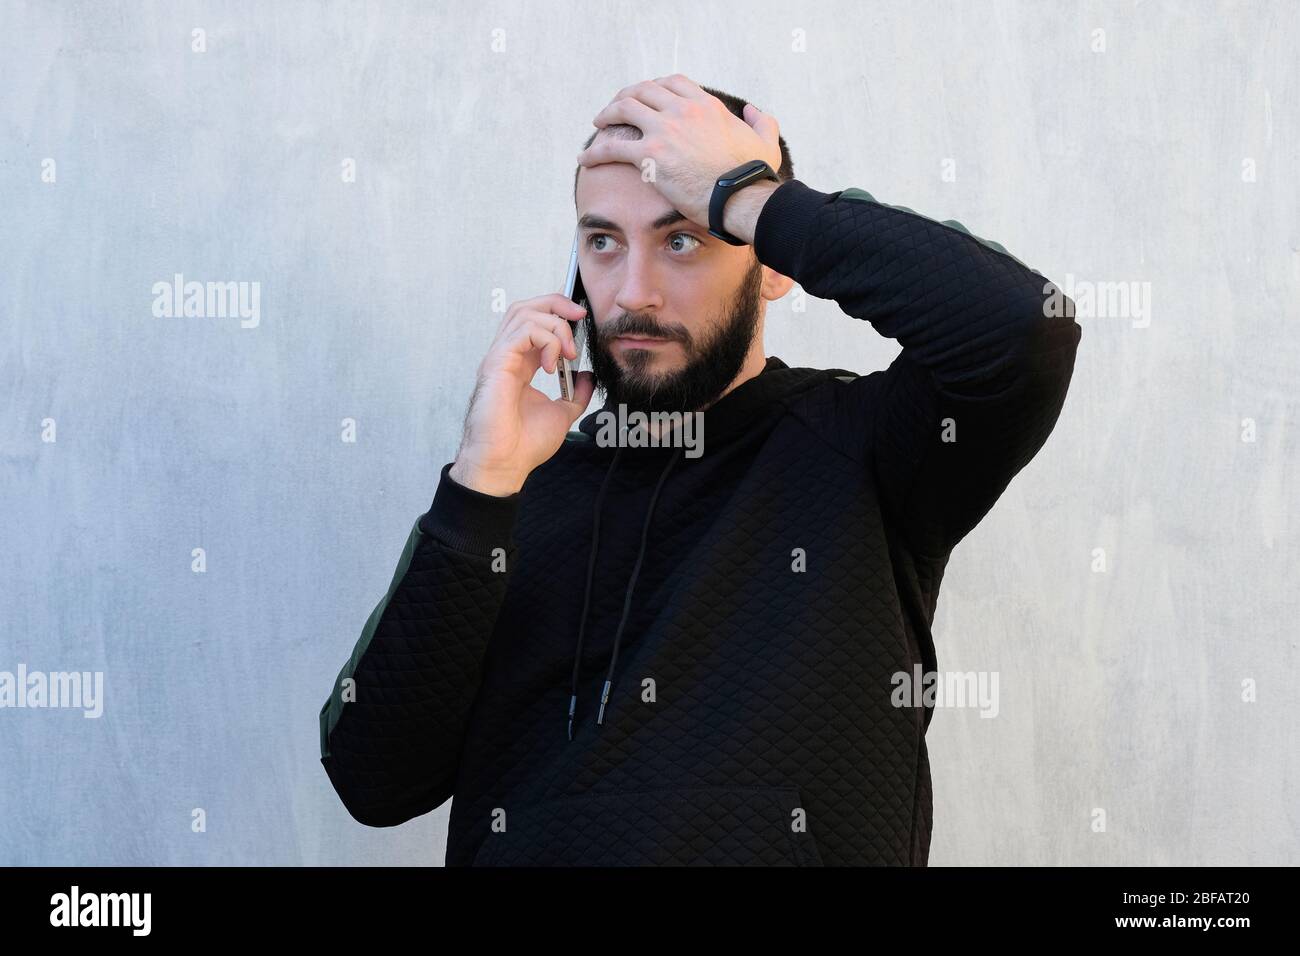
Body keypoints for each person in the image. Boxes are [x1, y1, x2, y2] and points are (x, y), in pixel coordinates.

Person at [318, 74, 1082, 865]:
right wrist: (481, 483)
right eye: (603, 242)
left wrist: (753, 198)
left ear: (776, 264)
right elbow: (373, 783)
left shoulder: (870, 451)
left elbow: (1025, 328)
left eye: (683, 237)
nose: (632, 295)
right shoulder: (511, 495)